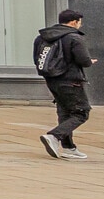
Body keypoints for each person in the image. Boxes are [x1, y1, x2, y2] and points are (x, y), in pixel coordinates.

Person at [36, 8, 94, 160]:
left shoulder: (42, 37)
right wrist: (89, 61)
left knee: (65, 112)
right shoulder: (74, 37)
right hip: (71, 80)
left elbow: (38, 58)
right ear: (74, 22)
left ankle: (69, 147)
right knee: (81, 113)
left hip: (52, 79)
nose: (80, 25)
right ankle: (54, 136)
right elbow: (83, 60)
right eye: (80, 22)